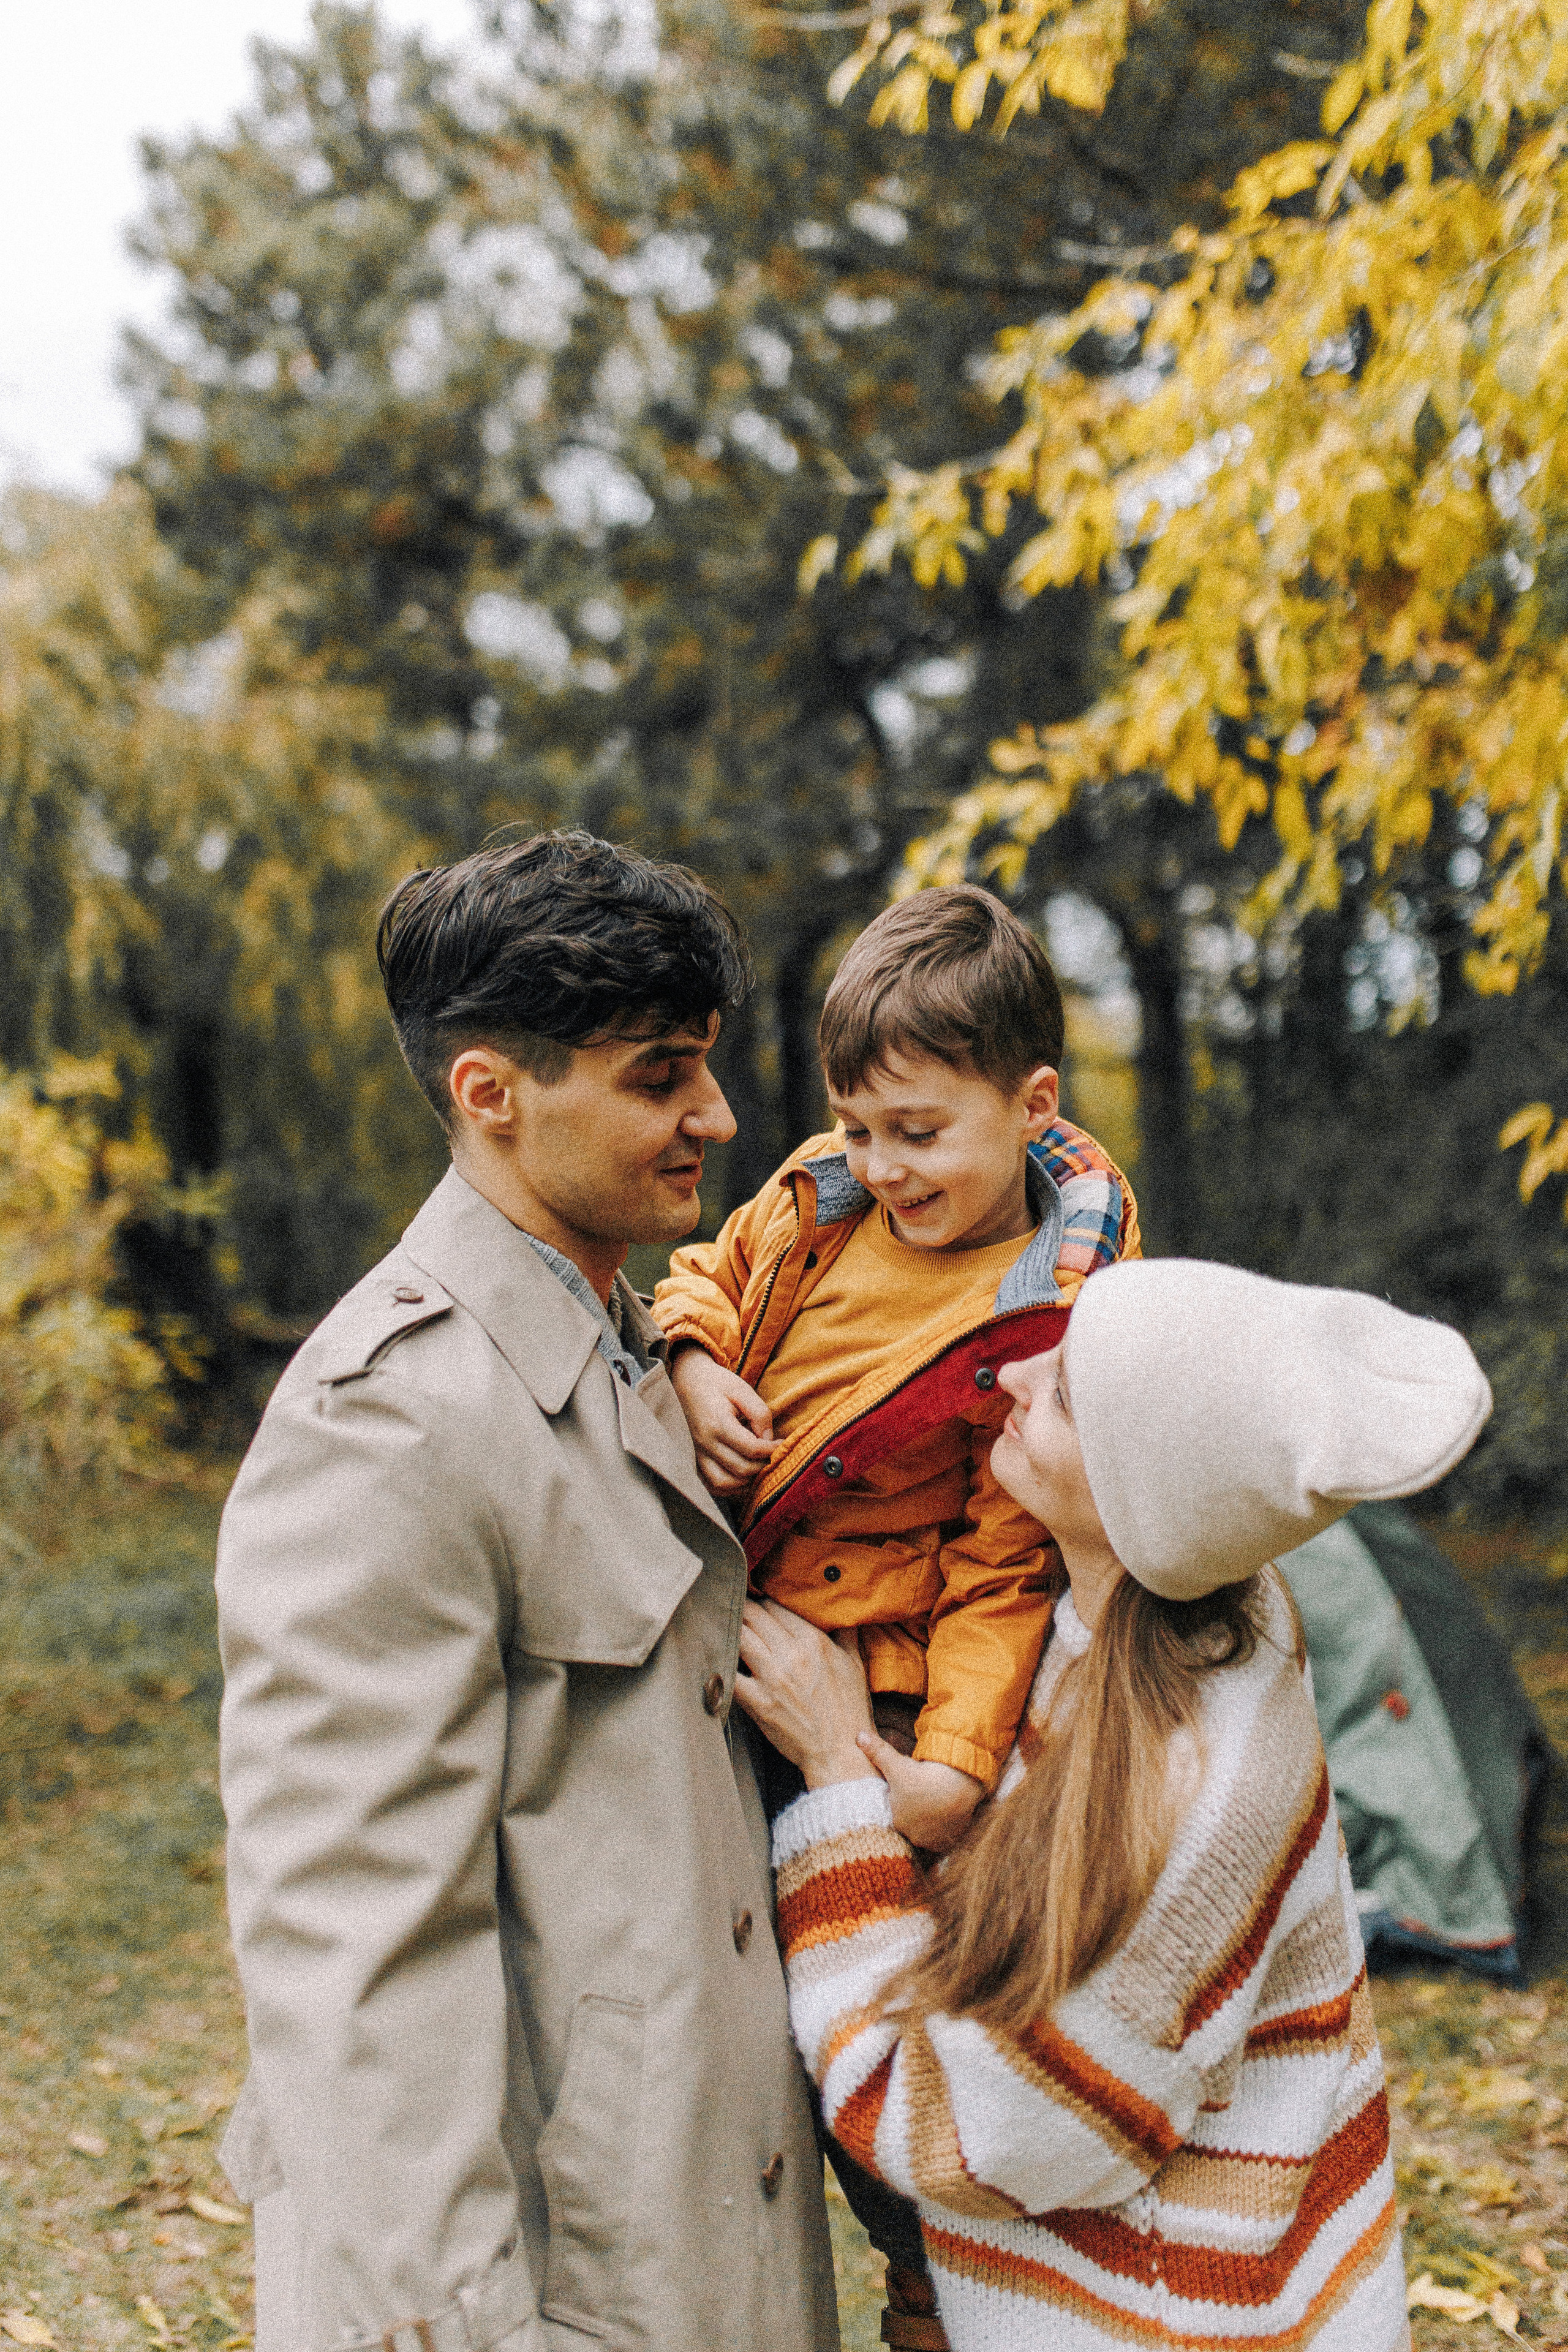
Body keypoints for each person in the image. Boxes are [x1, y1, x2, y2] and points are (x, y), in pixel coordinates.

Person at [215, 834, 840, 2352]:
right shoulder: (385, 1420)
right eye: (657, 1075)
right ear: (490, 1093)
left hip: (698, 2238)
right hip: (538, 2287)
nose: (716, 1115)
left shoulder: (649, 1351)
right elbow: (355, 1955)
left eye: (703, 1064)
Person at [736, 1257, 1493, 2351]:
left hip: (1161, 2318)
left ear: (1143, 1490)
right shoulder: (1150, 1611)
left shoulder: (1187, 1793)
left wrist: (838, 1793)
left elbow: (975, 2137)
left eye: (1068, 1393)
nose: (1015, 1375)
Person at [655, 886, 1140, 1853]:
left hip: (874, 1685)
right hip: (718, 1612)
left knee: (828, 1929)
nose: (883, 1167)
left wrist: (955, 1763)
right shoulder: (821, 1197)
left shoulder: (1034, 1330)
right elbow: (711, 1272)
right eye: (858, 1127)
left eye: (919, 1134)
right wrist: (692, 1360)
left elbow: (1000, 1564)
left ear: (1032, 1106)